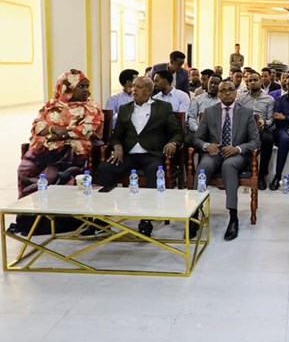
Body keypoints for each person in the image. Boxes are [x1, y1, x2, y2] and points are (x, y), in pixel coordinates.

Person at [13, 69, 104, 235]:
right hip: (44, 150)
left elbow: (86, 130)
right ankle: (30, 217)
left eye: (87, 86)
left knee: (55, 174)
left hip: (72, 151)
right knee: (25, 169)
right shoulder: (51, 106)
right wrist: (54, 129)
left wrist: (56, 133)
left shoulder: (91, 107)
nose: (86, 90)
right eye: (81, 86)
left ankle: (62, 221)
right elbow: (37, 126)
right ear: (66, 88)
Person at [94, 76, 183, 236]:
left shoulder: (163, 107)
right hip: (128, 155)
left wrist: (173, 143)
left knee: (155, 172)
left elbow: (177, 132)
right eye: (133, 86)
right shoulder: (125, 109)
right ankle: (100, 218)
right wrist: (117, 146)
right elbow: (116, 135)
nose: (134, 90)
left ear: (149, 91)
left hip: (152, 155)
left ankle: (146, 219)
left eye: (139, 87)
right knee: (105, 168)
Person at [194, 80, 260, 241]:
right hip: (215, 153)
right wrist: (207, 146)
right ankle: (194, 213)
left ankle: (233, 217)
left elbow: (256, 141)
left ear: (236, 93)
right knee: (203, 166)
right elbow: (197, 138)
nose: (227, 93)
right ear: (218, 94)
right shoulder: (209, 112)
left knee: (229, 166)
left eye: (230, 89)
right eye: (223, 90)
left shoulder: (246, 112)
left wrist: (238, 148)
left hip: (236, 155)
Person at [238, 72, 275, 191]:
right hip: (244, 128)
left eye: (255, 80)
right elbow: (237, 115)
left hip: (261, 128)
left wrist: (264, 122)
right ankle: (244, 169)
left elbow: (270, 120)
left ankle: (261, 175)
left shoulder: (269, 99)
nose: (253, 82)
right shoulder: (241, 98)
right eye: (250, 81)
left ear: (261, 81)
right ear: (247, 83)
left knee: (268, 139)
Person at [187, 74, 222, 144]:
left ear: (221, 85)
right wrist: (198, 130)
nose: (212, 85)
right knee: (187, 141)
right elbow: (191, 118)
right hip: (199, 132)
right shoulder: (197, 99)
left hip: (218, 134)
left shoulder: (223, 101)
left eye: (216, 83)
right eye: (211, 82)